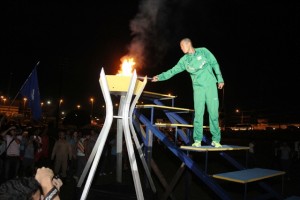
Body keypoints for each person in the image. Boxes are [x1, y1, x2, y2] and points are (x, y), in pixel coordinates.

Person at [152, 38, 224, 148]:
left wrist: (220, 78)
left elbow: (214, 63)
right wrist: (160, 77)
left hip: (210, 86)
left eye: (182, 46)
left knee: (213, 113)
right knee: (198, 114)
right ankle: (197, 140)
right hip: (198, 88)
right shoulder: (184, 60)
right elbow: (173, 71)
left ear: (188, 44)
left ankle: (216, 140)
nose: (181, 48)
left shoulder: (203, 51)